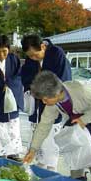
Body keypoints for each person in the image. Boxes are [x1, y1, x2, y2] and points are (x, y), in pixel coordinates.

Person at [23, 71, 91, 181]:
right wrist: (33, 150)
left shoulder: (82, 90)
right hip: (78, 116)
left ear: (57, 93)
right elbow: (43, 125)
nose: (44, 102)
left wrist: (84, 120)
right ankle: (77, 180)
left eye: (46, 99)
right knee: (75, 147)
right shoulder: (52, 103)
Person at [20, 35, 72, 170]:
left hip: (52, 100)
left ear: (43, 46)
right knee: (38, 132)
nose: (33, 58)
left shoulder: (56, 54)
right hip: (37, 102)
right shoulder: (31, 58)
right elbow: (26, 76)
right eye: (29, 56)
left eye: (35, 55)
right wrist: (32, 89)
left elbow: (62, 79)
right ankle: (40, 163)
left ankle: (51, 166)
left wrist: (49, 94)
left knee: (50, 136)